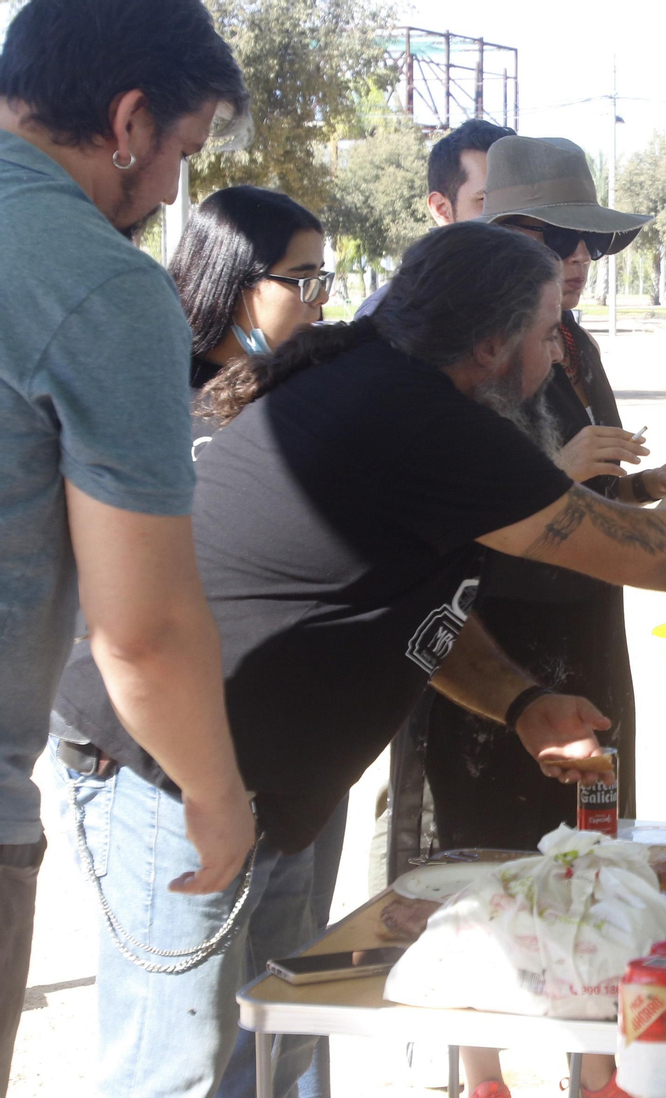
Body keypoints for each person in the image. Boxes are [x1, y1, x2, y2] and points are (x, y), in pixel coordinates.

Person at [49, 221, 666, 1098]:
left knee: (272, 1051)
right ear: (492, 342)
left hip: (261, 777)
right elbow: (639, 549)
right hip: (171, 769)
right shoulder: (415, 413)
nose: (557, 349)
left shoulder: (415, 402)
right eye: (548, 331)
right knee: (181, 1072)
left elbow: (421, 609)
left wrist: (520, 701)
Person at [0, 2, 253, 1090]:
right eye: (182, 156)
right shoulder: (96, 279)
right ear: (131, 121)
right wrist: (217, 797)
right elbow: (140, 632)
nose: (165, 197)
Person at [431, 134, 666, 1098]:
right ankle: (483, 1078)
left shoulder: (577, 343)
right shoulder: (450, 353)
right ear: (498, 236)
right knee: (487, 869)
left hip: (586, 631)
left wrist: (648, 484)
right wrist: (563, 475)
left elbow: (595, 505)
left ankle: (595, 1070)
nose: (576, 260)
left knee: (594, 853)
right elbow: (454, 522)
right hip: (490, 650)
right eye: (554, 239)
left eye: (587, 242)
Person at [162, 184, 341, 1098]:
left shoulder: (315, 396)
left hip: (301, 756)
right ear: (234, 285)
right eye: (302, 280)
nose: (319, 301)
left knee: (291, 1016)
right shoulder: (156, 397)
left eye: (324, 279)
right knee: (192, 1050)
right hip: (186, 767)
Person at [353, 117, 513, 319]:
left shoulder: (547, 306)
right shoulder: (392, 317)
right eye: (487, 200)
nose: (514, 214)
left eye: (522, 200)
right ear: (442, 210)